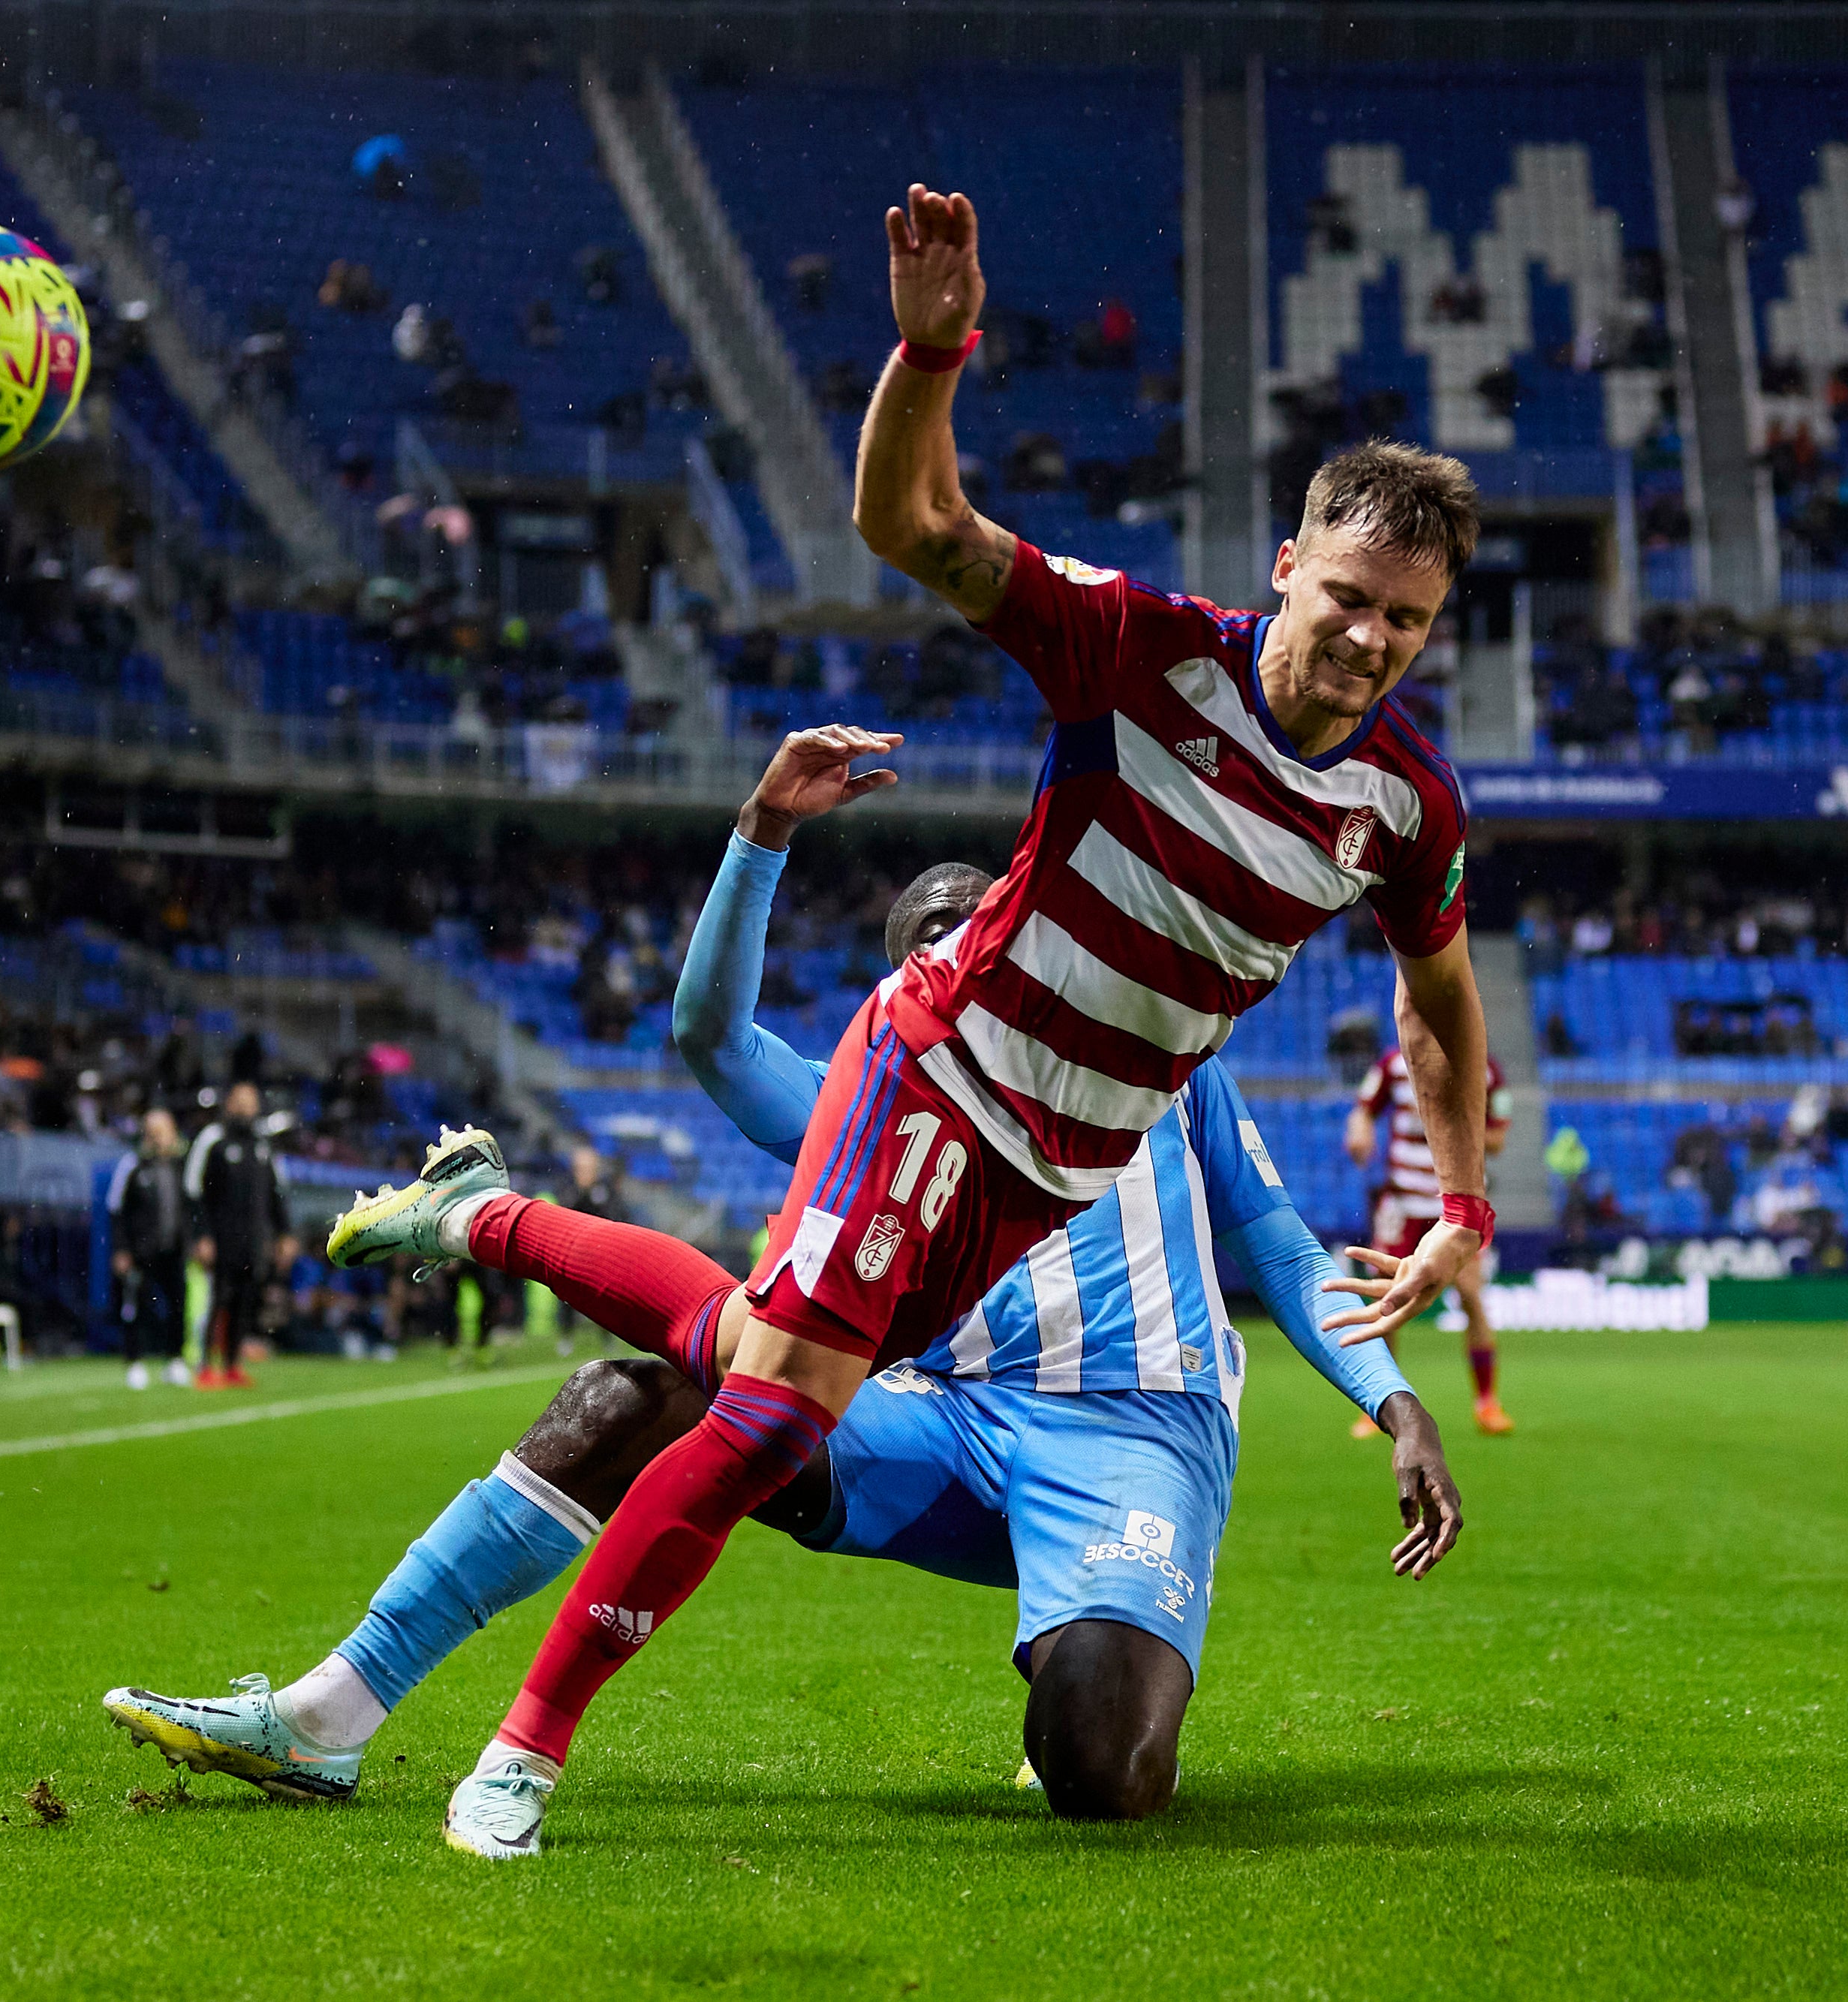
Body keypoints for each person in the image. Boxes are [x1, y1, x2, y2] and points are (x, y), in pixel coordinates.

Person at [314, 183, 1496, 1856]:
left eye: (1408, 622)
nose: (1370, 641)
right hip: (934, 1072)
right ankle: (517, 1752)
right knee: (767, 1402)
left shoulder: (1404, 802)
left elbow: (1437, 997)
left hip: (1045, 1175)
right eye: (1350, 597)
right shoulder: (1142, 651)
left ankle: (486, 1213)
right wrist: (930, 352)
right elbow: (912, 526)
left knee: (754, 1354)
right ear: (1286, 565)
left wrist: (1456, 1206)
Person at [105, 730, 1459, 1832]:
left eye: (965, 926)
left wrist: (1393, 1399)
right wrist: (760, 832)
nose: (946, 951)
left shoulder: (1167, 1064)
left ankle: (1081, 1659)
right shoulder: (866, 1104)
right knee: (626, 1396)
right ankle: (331, 1714)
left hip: (1134, 1436)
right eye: (916, 945)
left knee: (1103, 1772)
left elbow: (1278, 1250)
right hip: (935, 1424)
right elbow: (708, 1034)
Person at [1347, 1037, 1511, 1436]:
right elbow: (1363, 1110)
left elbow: (1498, 1139)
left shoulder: (1483, 1069)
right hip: (1403, 1201)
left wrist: (1452, 1116)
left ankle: (1487, 1402)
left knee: (1471, 1296)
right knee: (1388, 1302)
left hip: (1455, 1205)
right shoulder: (1392, 1064)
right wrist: (1360, 1132)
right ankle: (1377, 1405)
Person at [187, 1082, 291, 1389]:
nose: (246, 1108)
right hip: (220, 1241)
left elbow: (277, 1194)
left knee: (245, 1302)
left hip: (254, 1241)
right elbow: (194, 1192)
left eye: (251, 1102)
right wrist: (201, 1235)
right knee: (217, 1299)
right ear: (229, 1104)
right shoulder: (213, 1140)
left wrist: (284, 1234)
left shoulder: (264, 1146)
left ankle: (232, 1364)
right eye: (240, 1101)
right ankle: (205, 1365)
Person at [108, 1107, 193, 1390]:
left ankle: (175, 1360)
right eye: (152, 1132)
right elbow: (116, 1210)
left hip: (174, 1248)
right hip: (140, 1252)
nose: (157, 1139)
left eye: (162, 1132)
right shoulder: (132, 1165)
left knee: (178, 1306)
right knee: (136, 1308)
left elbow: (195, 1206)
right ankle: (135, 1362)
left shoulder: (183, 1166)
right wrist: (121, 1249)